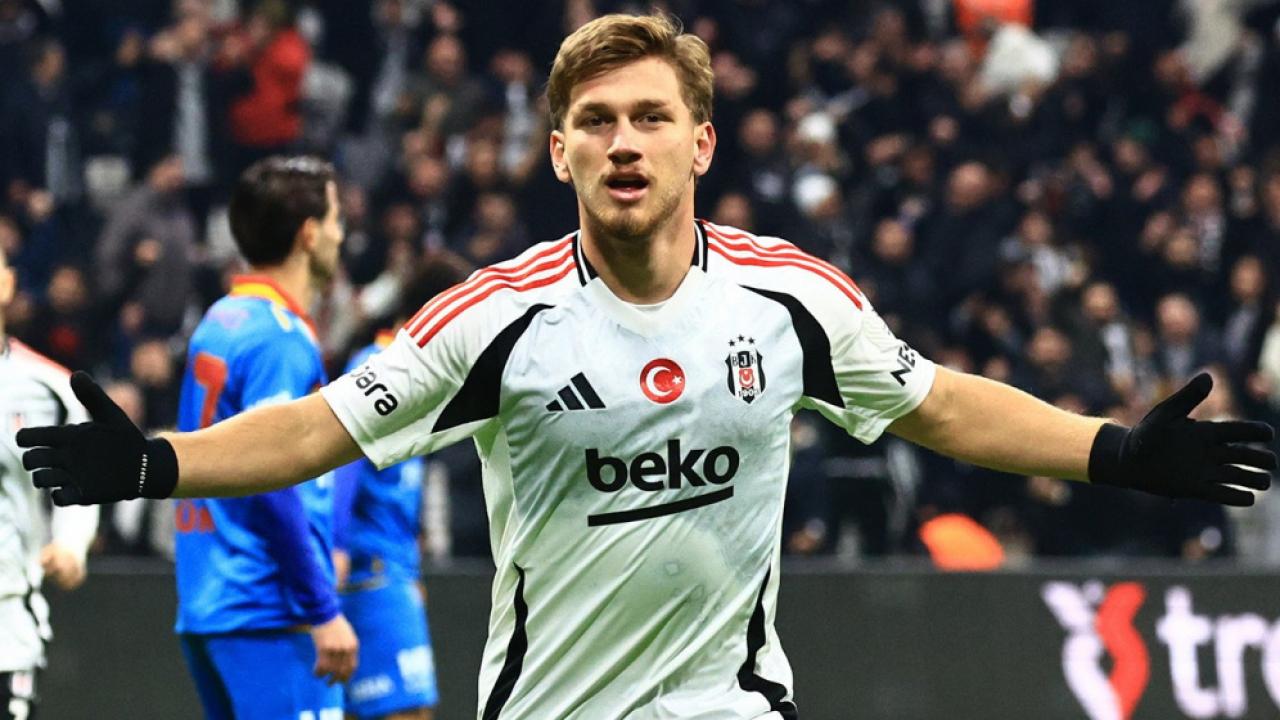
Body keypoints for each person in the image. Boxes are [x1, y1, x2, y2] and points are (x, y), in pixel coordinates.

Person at [16, 14, 1276, 719]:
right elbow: (315, 431)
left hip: (735, 704)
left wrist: (1114, 449)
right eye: (598, 122)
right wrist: (154, 463)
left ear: (700, 143)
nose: (625, 143)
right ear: (557, 151)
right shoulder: (495, 320)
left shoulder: (788, 298)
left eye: (651, 118)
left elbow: (938, 404)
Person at [168, 156, 357, 719]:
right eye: (336, 220)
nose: (342, 235)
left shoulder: (222, 318)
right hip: (269, 609)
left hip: (209, 599)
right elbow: (272, 479)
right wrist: (321, 608)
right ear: (309, 234)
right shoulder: (280, 338)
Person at [333, 277, 444, 720]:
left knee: (405, 710)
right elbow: (342, 465)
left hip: (395, 568)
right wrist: (337, 546)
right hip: (371, 571)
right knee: (405, 712)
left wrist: (411, 566)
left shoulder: (421, 376)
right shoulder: (374, 366)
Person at [0, 243, 98, 720]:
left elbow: (81, 479)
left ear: (6, 284)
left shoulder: (51, 387)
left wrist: (72, 545)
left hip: (6, 623)